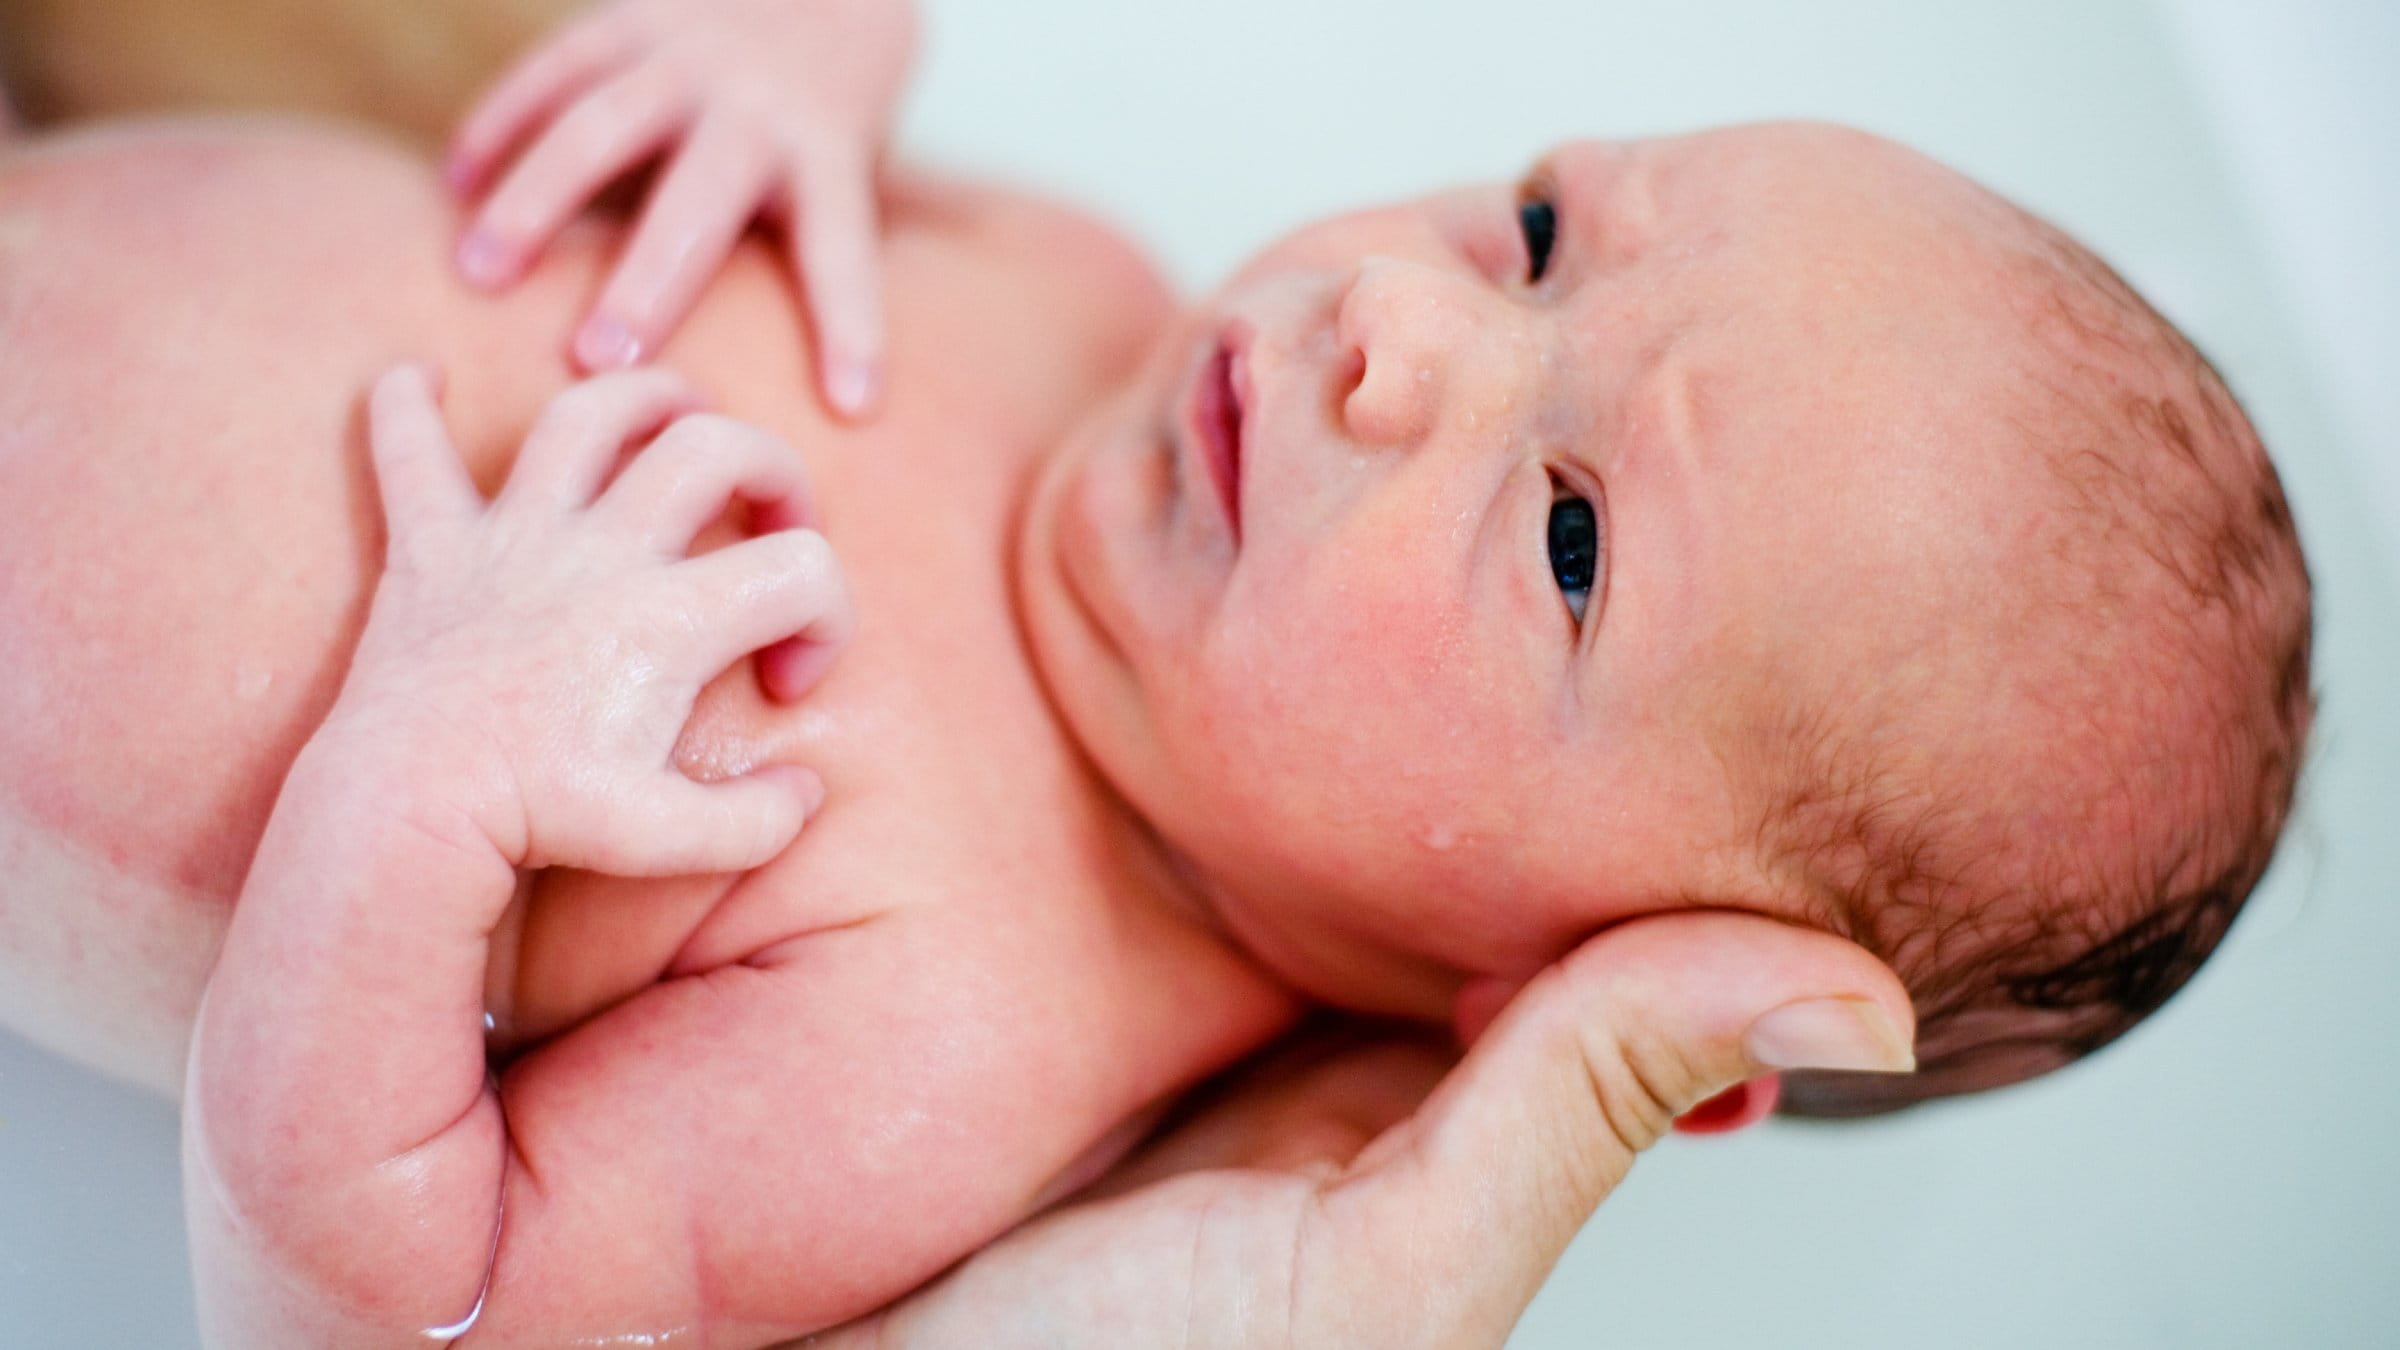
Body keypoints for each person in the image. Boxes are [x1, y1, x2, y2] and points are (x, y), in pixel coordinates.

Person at [0, 1, 2309, 1345]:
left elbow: (405, 1316)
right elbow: (790, 140)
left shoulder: (954, 1031)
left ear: (1597, 1000)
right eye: (1533, 237)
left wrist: (415, 789)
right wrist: (802, 53)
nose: (1393, 336)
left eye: (1575, 538)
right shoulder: (1091, 292)